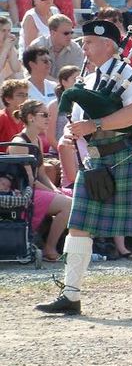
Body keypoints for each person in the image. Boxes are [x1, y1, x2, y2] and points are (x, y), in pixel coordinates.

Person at [35, 19, 132, 316]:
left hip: (122, 156)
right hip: (95, 160)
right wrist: (70, 133)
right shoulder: (88, 78)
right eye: (84, 41)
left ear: (108, 45)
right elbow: (78, 122)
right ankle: (71, 293)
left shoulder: (126, 74)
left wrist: (96, 124)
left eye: (89, 42)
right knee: (79, 226)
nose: (84, 47)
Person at [8, 99, 71, 260]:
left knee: (75, 197)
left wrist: (55, 189)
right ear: (31, 117)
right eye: (44, 115)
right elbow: (29, 179)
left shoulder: (36, 140)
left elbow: (41, 173)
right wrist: (53, 192)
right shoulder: (20, 143)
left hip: (35, 188)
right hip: (23, 192)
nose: (48, 119)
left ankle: (73, 248)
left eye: (48, 115)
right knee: (67, 204)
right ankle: (50, 249)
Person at [47, 65, 80, 150]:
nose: (79, 82)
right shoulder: (54, 105)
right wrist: (64, 153)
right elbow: (50, 138)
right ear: (64, 82)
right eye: (75, 79)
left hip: (80, 154)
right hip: (58, 153)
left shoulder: (81, 104)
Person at [0, 17, 23, 81]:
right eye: (3, 30)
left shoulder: (8, 45)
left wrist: (11, 47)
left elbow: (16, 69)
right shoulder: (6, 47)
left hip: (5, 80)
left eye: (9, 30)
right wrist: (5, 49)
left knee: (19, 75)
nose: (7, 34)